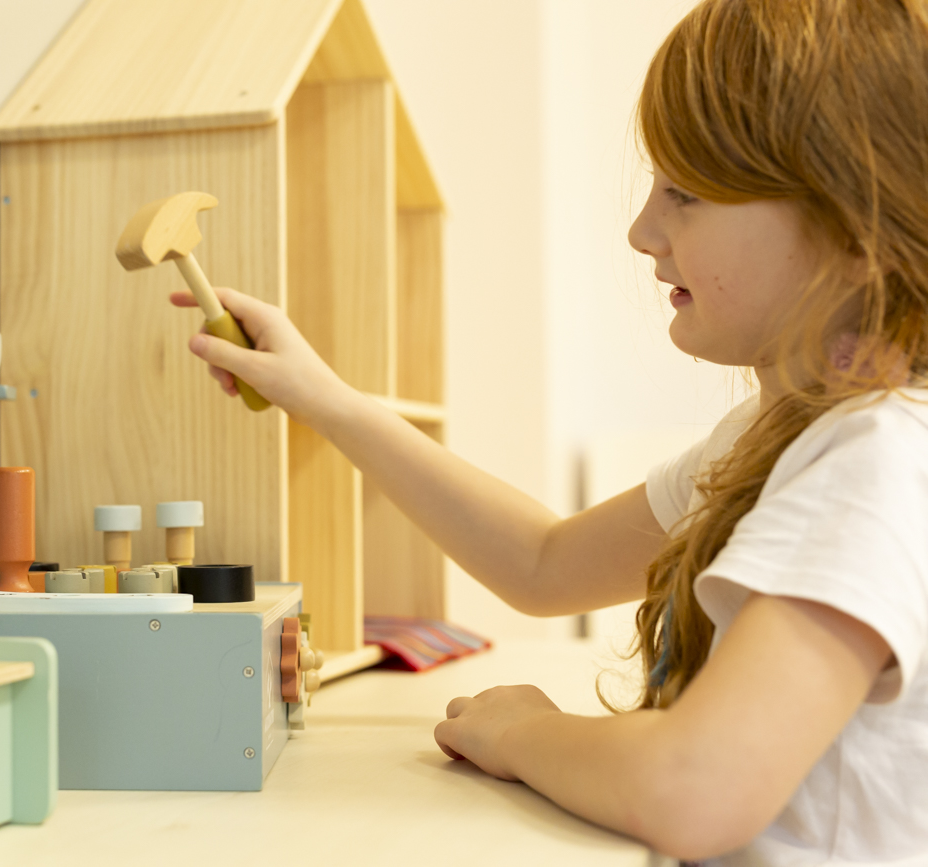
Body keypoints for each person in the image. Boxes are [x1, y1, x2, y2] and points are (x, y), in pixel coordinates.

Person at [169, 0, 928, 863]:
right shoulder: (774, 436)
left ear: (849, 226)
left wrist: (526, 732)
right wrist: (330, 400)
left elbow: (697, 788)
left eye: (685, 192)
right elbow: (544, 562)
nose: (643, 232)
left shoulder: (874, 464)